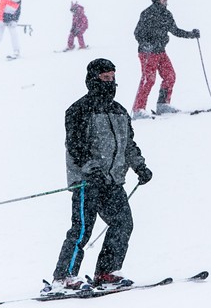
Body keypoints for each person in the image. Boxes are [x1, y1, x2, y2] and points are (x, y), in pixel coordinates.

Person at [46, 58, 153, 294]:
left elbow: (128, 145)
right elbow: (76, 146)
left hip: (113, 181)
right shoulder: (78, 110)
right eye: (105, 78)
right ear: (93, 79)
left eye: (112, 77)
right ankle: (63, 277)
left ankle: (106, 272)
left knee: (123, 223)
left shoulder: (119, 111)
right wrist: (92, 169)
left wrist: (140, 166)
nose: (110, 82)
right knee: (82, 228)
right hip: (87, 182)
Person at [131, 0, 199, 119]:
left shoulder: (166, 14)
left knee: (170, 76)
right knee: (148, 79)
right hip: (148, 53)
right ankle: (138, 109)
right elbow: (137, 33)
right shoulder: (147, 13)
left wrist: (191, 34)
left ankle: (162, 104)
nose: (166, 0)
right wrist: (145, 44)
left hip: (160, 51)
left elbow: (175, 31)